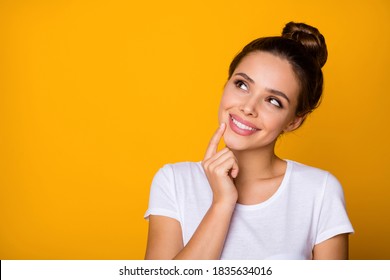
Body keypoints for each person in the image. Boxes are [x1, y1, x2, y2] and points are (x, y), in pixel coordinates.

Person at [144, 22, 354, 260]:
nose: (247, 107)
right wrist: (222, 204)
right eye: (242, 84)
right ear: (226, 84)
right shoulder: (173, 182)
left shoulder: (319, 191)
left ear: (294, 121)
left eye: (273, 101)